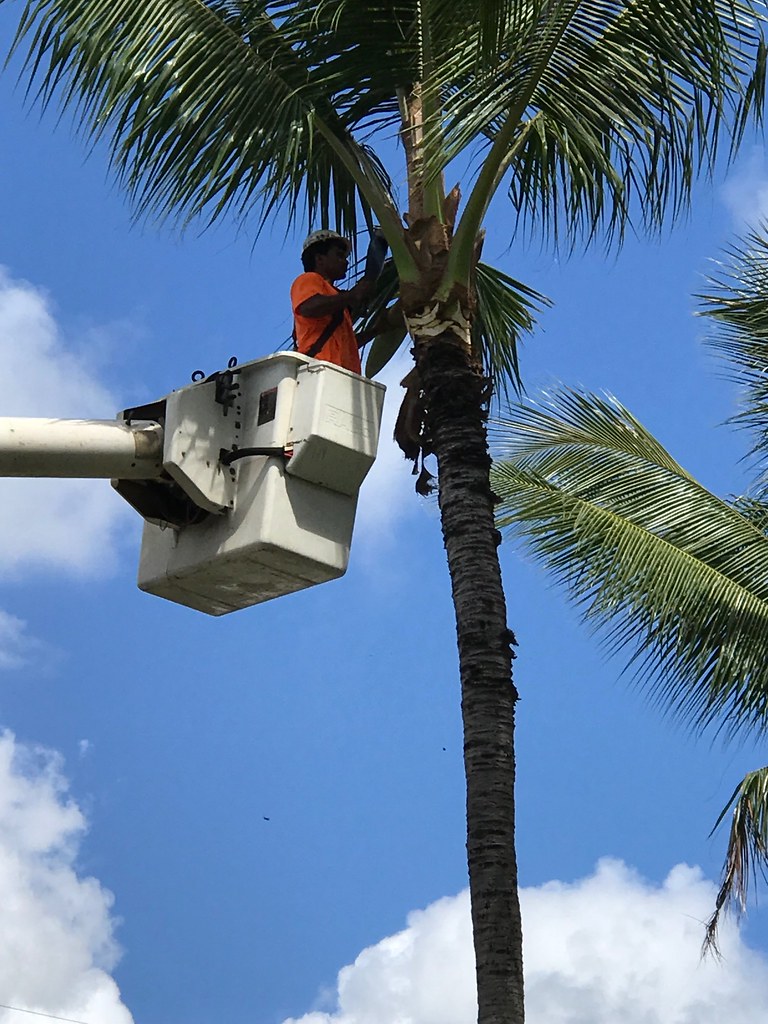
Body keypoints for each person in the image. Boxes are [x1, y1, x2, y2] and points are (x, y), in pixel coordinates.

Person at [291, 230, 373, 374]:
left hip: (339, 377)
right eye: (339, 255)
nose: (345, 261)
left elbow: (345, 344)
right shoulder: (308, 279)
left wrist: (379, 329)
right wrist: (353, 295)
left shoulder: (336, 298)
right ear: (319, 259)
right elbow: (309, 307)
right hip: (317, 372)